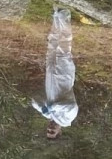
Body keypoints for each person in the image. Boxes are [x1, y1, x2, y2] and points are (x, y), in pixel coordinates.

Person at [32, 9, 77, 139]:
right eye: (52, 132)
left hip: (51, 74)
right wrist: (53, 108)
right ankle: (64, 15)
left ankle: (56, 16)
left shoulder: (50, 115)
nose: (50, 129)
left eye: (48, 131)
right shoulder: (68, 118)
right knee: (64, 46)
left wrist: (42, 109)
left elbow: (34, 100)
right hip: (64, 75)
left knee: (52, 43)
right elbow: (71, 106)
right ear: (59, 131)